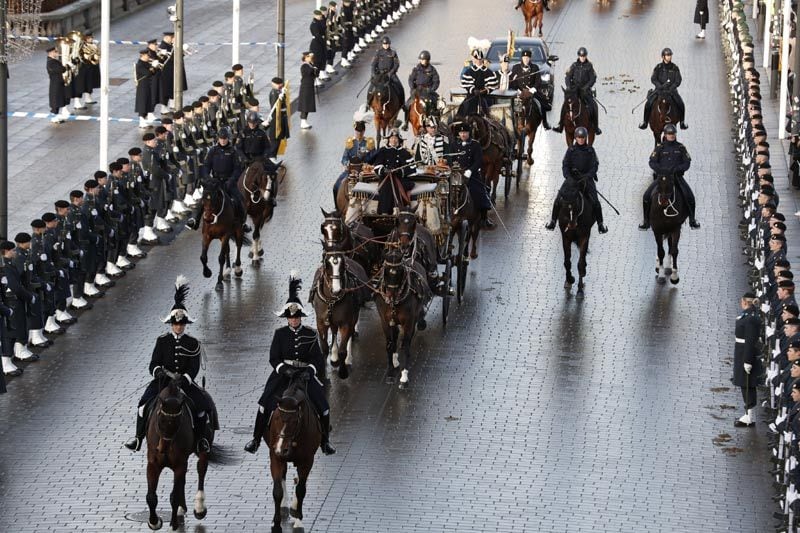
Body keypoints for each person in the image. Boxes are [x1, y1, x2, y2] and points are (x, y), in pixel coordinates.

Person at [243, 274, 336, 455]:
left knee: (324, 407)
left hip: (304, 377)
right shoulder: (280, 334)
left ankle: (325, 442)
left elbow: (317, 358)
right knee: (264, 404)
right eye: (291, 318)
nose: (294, 320)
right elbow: (273, 358)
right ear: (287, 318)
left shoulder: (310, 334)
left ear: (301, 317)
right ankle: (255, 440)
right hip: (283, 376)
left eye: (297, 317)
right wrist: (284, 369)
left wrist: (310, 370)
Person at [124, 276, 214, 453]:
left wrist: (186, 379)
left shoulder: (192, 343)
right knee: (143, 405)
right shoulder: (162, 341)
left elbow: (193, 367)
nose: (178, 327)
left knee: (203, 406)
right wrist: (158, 372)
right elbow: (154, 363)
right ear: (171, 324)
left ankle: (202, 440)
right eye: (175, 324)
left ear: (185, 325)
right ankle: (138, 438)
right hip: (163, 382)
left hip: (184, 383)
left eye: (181, 324)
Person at [544, 127, 607, 233]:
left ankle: (600, 224)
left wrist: (588, 176)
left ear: (586, 138)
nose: (581, 140)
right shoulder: (571, 150)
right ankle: (553, 221)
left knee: (596, 202)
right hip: (572, 179)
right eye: (579, 137)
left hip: (586, 179)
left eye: (583, 138)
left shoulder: (590, 150)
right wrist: (568, 176)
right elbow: (565, 164)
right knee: (559, 197)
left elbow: (595, 166)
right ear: (575, 138)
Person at [639, 124, 701, 230]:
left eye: (673, 134)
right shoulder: (659, 148)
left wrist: (677, 169)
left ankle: (692, 220)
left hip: (677, 177)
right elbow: (652, 162)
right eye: (669, 134)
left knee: (690, 196)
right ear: (665, 135)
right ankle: (646, 221)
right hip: (662, 178)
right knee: (646, 196)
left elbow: (687, 163)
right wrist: (661, 170)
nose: (671, 136)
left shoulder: (681, 148)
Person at [187, 127, 249, 232]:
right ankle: (195, 220)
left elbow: (237, 169)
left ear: (228, 138)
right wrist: (208, 178)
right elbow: (206, 166)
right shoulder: (213, 151)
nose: (223, 140)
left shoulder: (233, 151)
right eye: (221, 138)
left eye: (225, 138)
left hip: (228, 181)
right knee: (204, 199)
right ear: (218, 139)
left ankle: (243, 223)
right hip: (215, 182)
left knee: (239, 199)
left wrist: (231, 181)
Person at [451, 122, 495, 229]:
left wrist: (470, 171)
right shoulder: (454, 144)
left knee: (480, 191)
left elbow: (478, 160)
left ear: (469, 133)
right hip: (457, 175)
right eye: (461, 133)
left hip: (471, 174)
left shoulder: (475, 145)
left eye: (465, 132)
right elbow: (450, 159)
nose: (463, 135)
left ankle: (484, 218)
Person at [554, 47, 600, 135]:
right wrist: (568, 86)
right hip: (574, 90)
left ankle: (596, 127)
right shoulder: (574, 65)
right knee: (565, 105)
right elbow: (568, 76)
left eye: (584, 56)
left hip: (585, 91)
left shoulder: (589, 66)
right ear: (578, 56)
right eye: (581, 56)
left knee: (593, 105)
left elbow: (593, 78)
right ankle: (560, 125)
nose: (582, 58)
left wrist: (586, 87)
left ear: (586, 56)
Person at [733, 291, 763, 427]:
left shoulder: (750, 318)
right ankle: (749, 414)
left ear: (745, 301)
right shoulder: (749, 314)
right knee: (745, 384)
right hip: (742, 352)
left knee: (747, 385)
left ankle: (749, 416)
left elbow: (750, 340)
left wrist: (747, 360)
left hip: (745, 353)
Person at [639, 48, 688, 130]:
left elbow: (678, 80)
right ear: (663, 57)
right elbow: (653, 79)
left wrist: (671, 88)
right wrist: (659, 86)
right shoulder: (658, 67)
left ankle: (682, 122)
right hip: (659, 91)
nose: (669, 57)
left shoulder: (675, 68)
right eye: (667, 55)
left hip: (671, 92)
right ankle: (645, 122)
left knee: (681, 104)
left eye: (670, 55)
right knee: (648, 104)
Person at [372, 129, 415, 215]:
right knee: (386, 185)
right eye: (391, 138)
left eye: (396, 138)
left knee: (396, 185)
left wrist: (400, 172)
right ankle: (384, 211)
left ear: (399, 140)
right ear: (388, 139)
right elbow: (377, 166)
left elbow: (412, 168)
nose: (393, 140)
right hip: (386, 177)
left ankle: (398, 208)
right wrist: (383, 171)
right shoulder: (383, 151)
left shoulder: (405, 152)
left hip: (401, 179)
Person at [333, 120, 376, 204]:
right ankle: (337, 208)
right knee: (336, 186)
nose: (359, 133)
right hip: (350, 170)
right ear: (355, 131)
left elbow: (374, 158)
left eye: (361, 131)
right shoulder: (350, 142)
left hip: (364, 171)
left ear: (364, 131)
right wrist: (346, 163)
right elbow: (344, 158)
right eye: (357, 131)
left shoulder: (369, 143)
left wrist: (368, 164)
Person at [509, 48, 551, 130]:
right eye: (524, 58)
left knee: (541, 104)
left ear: (530, 58)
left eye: (527, 58)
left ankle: (545, 123)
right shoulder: (516, 68)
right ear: (522, 58)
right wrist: (518, 90)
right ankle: (512, 123)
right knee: (513, 105)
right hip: (519, 93)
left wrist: (533, 89)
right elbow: (513, 81)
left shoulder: (535, 67)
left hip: (531, 92)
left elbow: (538, 80)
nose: (526, 60)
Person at [367, 36, 406, 123]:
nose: (386, 45)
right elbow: (373, 64)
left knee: (400, 87)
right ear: (382, 44)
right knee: (371, 87)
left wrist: (391, 72)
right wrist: (373, 74)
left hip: (390, 74)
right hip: (380, 74)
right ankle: (368, 103)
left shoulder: (393, 52)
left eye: (387, 44)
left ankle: (402, 104)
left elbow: (396, 64)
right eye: (384, 44)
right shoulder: (378, 52)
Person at [458, 47, 499, 116]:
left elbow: (492, 85)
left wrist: (486, 90)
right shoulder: (469, 72)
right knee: (464, 107)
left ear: (482, 59)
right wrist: (473, 90)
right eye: (477, 59)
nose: (478, 61)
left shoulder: (488, 72)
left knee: (486, 108)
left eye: (480, 59)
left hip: (485, 96)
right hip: (472, 96)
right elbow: (466, 84)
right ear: (474, 59)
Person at [407, 50, 440, 125]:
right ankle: (406, 122)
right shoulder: (416, 69)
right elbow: (411, 79)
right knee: (407, 104)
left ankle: (437, 121)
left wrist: (432, 89)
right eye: (421, 60)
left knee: (438, 104)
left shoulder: (432, 69)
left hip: (428, 90)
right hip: (418, 90)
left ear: (428, 60)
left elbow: (436, 81)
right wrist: (412, 88)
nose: (423, 61)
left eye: (424, 60)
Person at [158, 32, 187, 110]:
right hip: (166, 72)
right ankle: (163, 108)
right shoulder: (163, 47)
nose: (173, 40)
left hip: (172, 71)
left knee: (172, 89)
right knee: (166, 91)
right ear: (167, 37)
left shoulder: (170, 45)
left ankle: (172, 104)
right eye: (172, 38)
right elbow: (170, 58)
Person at [266, 77, 290, 161]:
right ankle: (272, 156)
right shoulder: (274, 93)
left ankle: (274, 155)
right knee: (275, 139)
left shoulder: (279, 92)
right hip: (276, 118)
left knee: (279, 137)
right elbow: (274, 106)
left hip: (281, 117)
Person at [46, 46, 69, 123]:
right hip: (55, 83)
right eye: (56, 52)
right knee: (55, 100)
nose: (57, 53)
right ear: (51, 53)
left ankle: (56, 116)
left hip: (58, 82)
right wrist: (65, 66)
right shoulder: (51, 62)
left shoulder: (54, 61)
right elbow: (61, 69)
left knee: (58, 99)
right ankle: (54, 117)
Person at [134, 49, 156, 129]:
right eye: (147, 55)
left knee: (147, 102)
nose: (148, 57)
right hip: (142, 87)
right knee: (142, 103)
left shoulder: (146, 63)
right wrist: (153, 67)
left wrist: (154, 67)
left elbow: (153, 72)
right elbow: (148, 73)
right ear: (142, 55)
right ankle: (142, 121)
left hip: (148, 86)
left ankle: (144, 120)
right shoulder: (139, 64)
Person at [298, 51, 319, 130]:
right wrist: (313, 69)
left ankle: (304, 120)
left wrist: (314, 68)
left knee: (307, 104)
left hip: (309, 86)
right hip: (305, 87)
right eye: (310, 57)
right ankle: (303, 121)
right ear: (306, 57)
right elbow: (308, 72)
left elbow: (315, 74)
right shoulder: (304, 66)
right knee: (305, 104)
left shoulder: (310, 65)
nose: (311, 58)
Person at [309, 9, 329, 83]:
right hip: (317, 44)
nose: (320, 16)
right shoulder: (314, 24)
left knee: (323, 59)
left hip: (321, 43)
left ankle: (321, 73)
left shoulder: (320, 21)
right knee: (317, 61)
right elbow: (317, 35)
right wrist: (323, 40)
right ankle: (315, 78)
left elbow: (324, 30)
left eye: (320, 15)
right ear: (315, 15)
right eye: (319, 15)